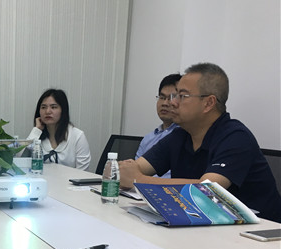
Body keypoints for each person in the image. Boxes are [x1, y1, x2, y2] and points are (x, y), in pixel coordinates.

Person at [120, 62, 281, 223]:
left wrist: (138, 180)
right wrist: (121, 171)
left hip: (259, 231)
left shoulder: (236, 137)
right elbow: (131, 169)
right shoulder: (179, 135)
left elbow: (205, 191)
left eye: (182, 96)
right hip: (203, 224)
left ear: (208, 103)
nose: (173, 102)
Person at [26, 89, 91, 170]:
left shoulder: (77, 136)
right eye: (43, 107)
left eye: (53, 107)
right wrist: (36, 130)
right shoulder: (37, 136)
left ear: (63, 110)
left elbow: (83, 173)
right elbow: (21, 160)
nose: (48, 111)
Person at [134, 73, 182, 178]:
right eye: (162, 97)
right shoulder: (148, 138)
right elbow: (134, 172)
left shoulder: (185, 137)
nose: (165, 103)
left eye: (172, 97)